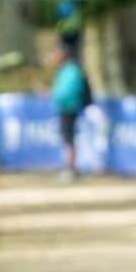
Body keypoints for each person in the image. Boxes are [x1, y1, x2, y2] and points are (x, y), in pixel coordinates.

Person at [51, 36, 91, 180]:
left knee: (68, 138)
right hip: (68, 108)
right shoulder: (71, 70)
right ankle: (71, 167)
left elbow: (65, 93)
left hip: (67, 109)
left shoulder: (69, 71)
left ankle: (71, 167)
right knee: (68, 138)